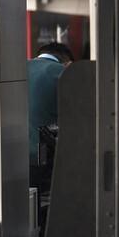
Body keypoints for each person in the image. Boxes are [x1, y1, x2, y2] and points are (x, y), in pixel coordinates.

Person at [27, 42, 73, 188]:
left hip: (9, 152)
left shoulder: (17, 68)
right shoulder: (62, 72)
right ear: (68, 63)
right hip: (41, 155)